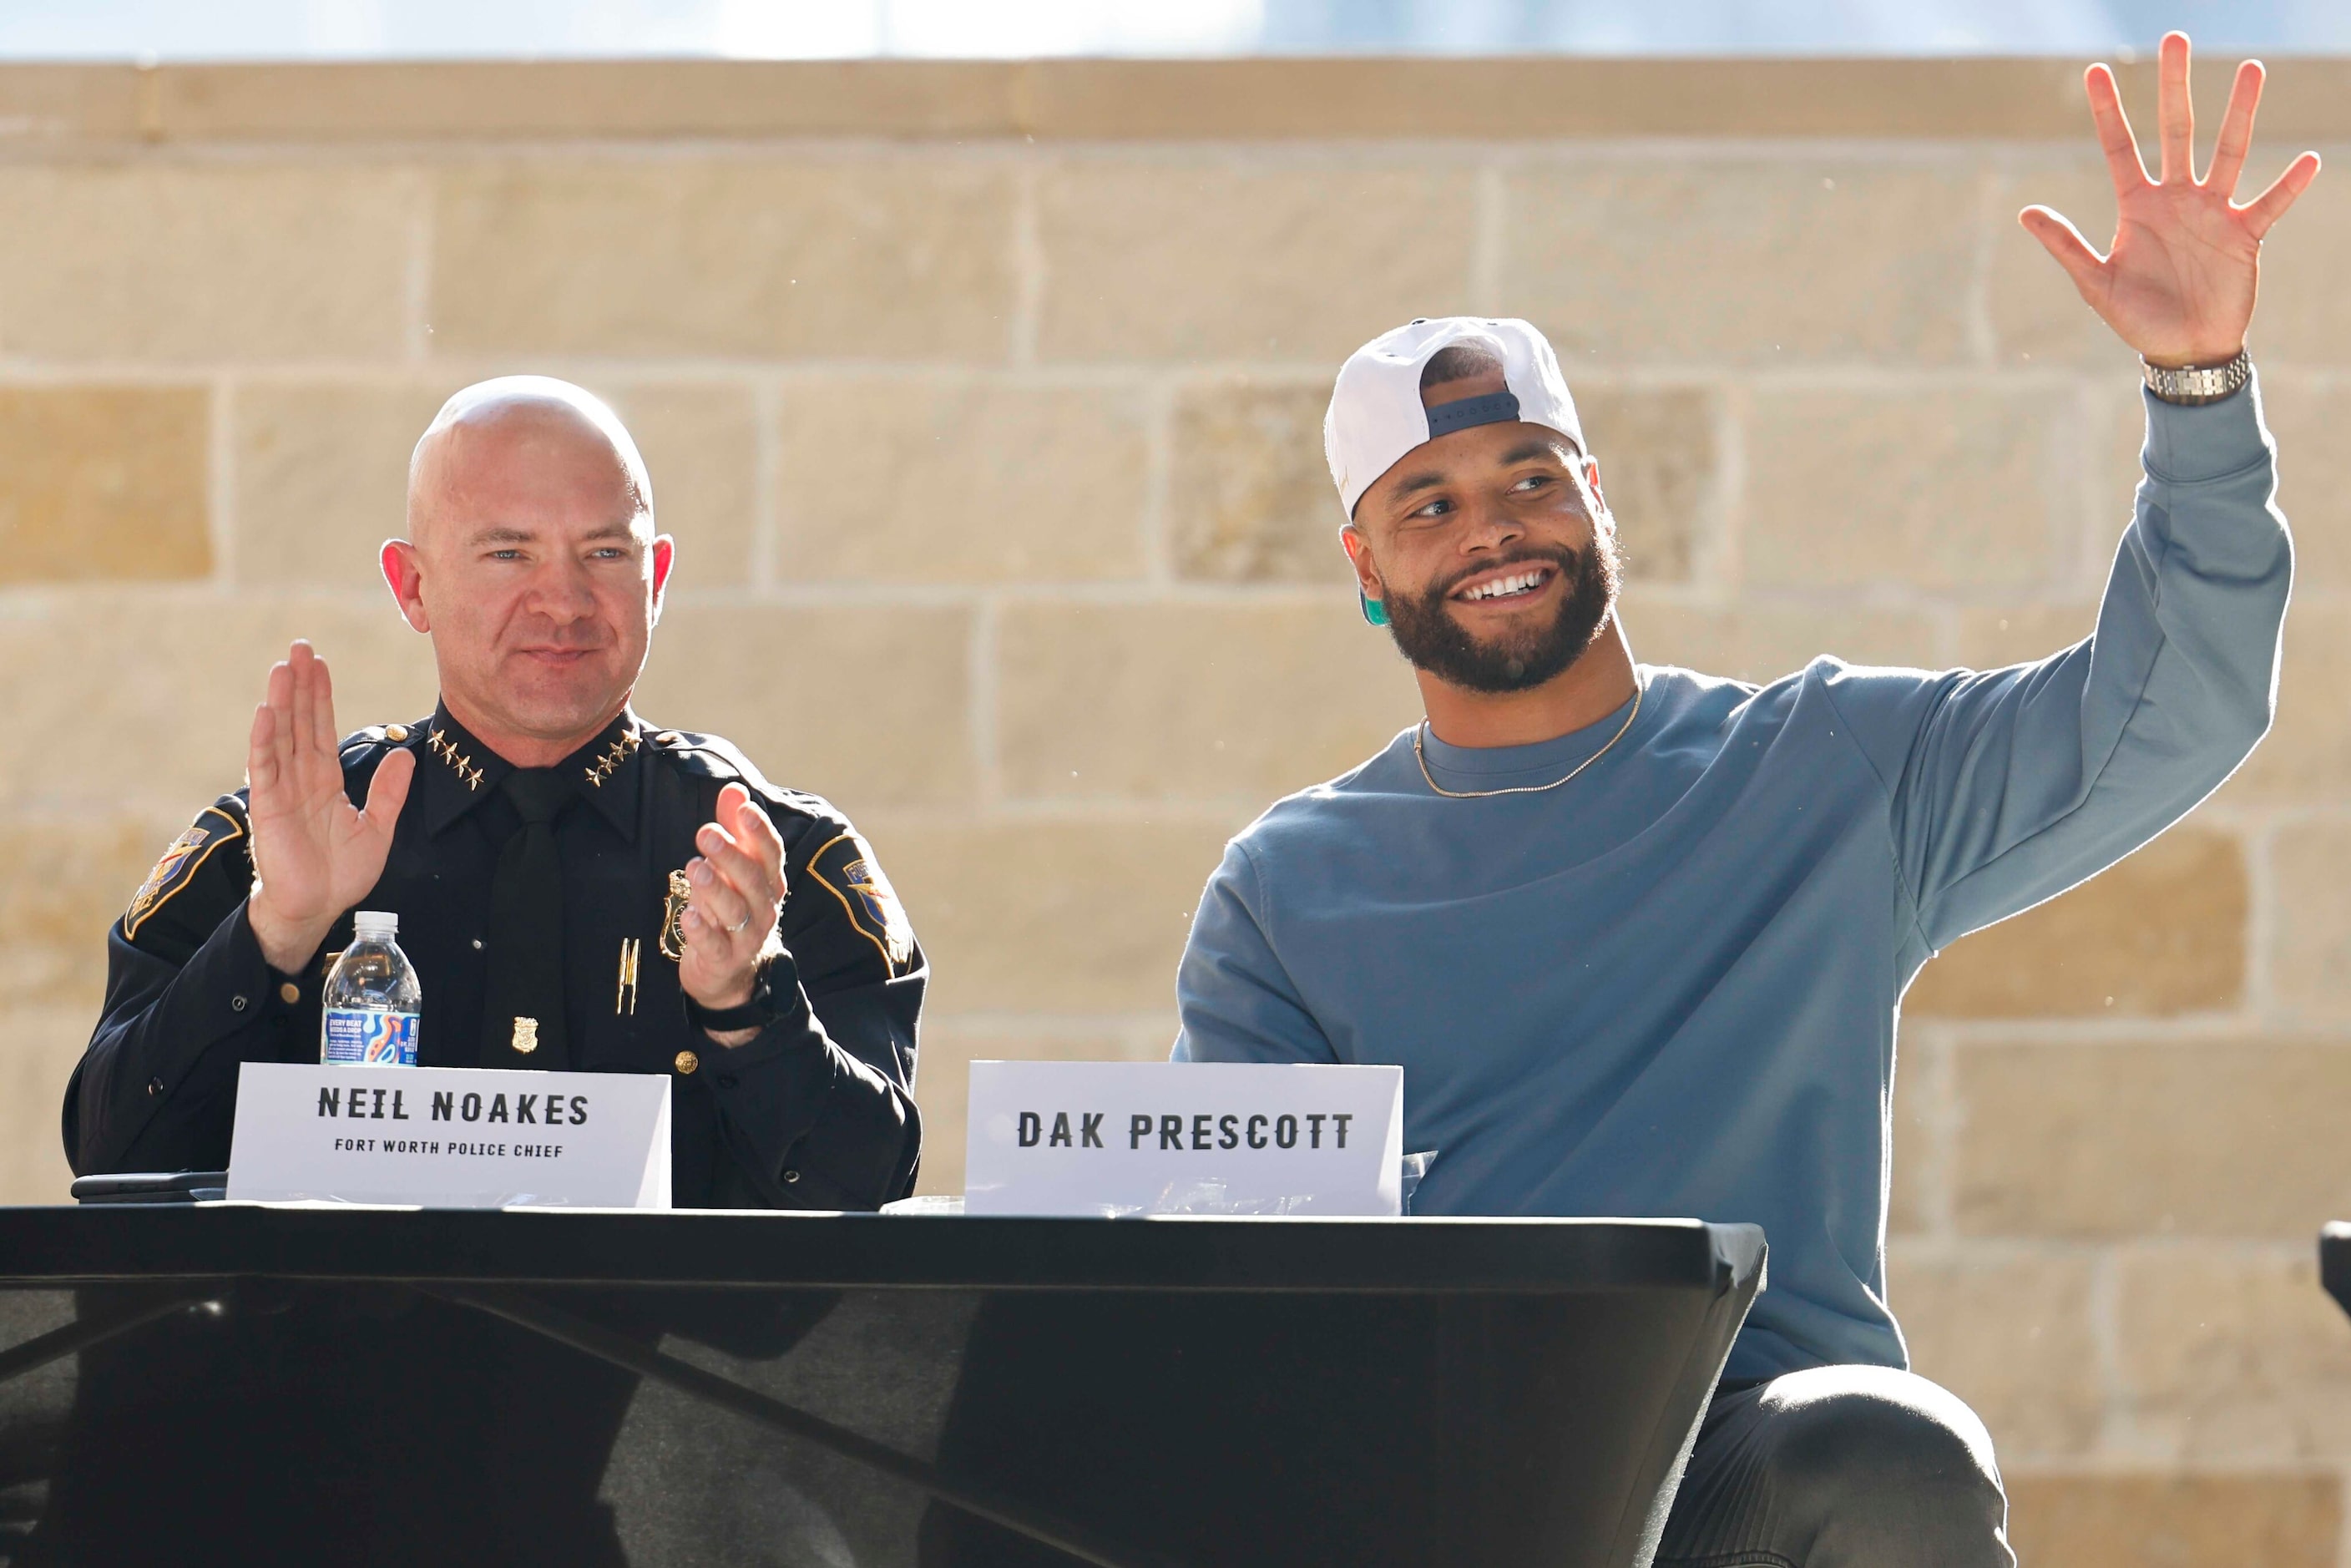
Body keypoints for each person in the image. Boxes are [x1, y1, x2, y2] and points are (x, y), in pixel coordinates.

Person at [1172, 34, 2313, 1567]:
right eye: (1427, 504)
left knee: (1886, 1450)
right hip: (1440, 1495)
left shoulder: (1817, 772)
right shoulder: (1292, 886)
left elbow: (2176, 704)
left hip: (1750, 1470)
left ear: (1598, 501)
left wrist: (2196, 382)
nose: (1492, 525)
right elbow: (1228, 1271)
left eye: (1530, 476)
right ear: (1366, 570)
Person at [64, 376, 923, 1211]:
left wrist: (748, 1006)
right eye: (508, 553)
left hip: (674, 1359)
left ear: (655, 578)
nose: (562, 601)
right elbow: (113, 1159)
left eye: (604, 553)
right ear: (413, 587)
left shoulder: (777, 861)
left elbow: (871, 1194)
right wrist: (276, 931)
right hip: (343, 1358)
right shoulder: (275, 842)